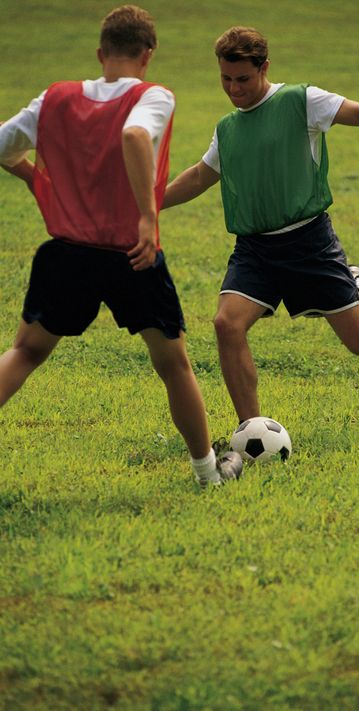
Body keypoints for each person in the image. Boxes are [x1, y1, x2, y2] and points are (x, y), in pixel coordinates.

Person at [162, 26, 359, 426]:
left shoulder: (301, 100)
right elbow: (199, 176)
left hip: (308, 243)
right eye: (225, 79)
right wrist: (144, 202)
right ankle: (252, 430)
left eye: (243, 79)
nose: (234, 89)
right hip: (254, 249)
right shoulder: (227, 128)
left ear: (264, 67)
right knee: (226, 324)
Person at [0, 5, 242, 487]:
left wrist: (32, 174)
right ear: (147, 55)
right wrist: (148, 220)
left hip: (65, 253)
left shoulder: (53, 99)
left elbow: (5, 145)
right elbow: (134, 135)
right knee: (173, 365)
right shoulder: (152, 96)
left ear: (100, 52)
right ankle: (207, 474)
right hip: (133, 254)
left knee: (25, 352)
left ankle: (207, 471)